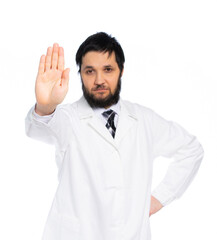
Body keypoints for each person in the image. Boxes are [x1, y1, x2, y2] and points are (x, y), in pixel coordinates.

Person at [25, 32, 204, 240]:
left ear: (121, 71)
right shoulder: (69, 118)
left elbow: (191, 149)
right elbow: (41, 127)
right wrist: (46, 106)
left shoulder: (143, 119)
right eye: (89, 71)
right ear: (80, 74)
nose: (99, 80)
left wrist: (160, 198)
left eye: (108, 69)